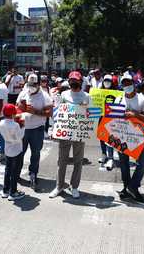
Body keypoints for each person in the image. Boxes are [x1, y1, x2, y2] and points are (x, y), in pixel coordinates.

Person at [49, 71, 89, 199]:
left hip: (80, 133)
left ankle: (74, 186)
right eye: (72, 80)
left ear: (81, 82)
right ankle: (59, 186)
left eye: (76, 81)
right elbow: (57, 112)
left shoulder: (86, 96)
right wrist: (53, 129)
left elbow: (91, 115)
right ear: (69, 81)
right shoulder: (64, 94)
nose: (74, 83)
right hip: (65, 132)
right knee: (62, 160)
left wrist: (85, 108)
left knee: (78, 161)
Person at [115, 72, 144, 203]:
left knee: (143, 162)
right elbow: (112, 115)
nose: (126, 85)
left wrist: (134, 114)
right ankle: (126, 187)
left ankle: (133, 186)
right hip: (121, 134)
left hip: (138, 136)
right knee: (123, 163)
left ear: (134, 84)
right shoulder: (118, 98)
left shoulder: (142, 99)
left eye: (128, 83)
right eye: (124, 83)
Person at [17, 74, 53, 190]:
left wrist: (35, 111)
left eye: (33, 85)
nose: (31, 87)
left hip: (37, 129)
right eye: (29, 85)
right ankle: (16, 173)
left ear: (38, 85)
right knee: (19, 152)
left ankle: (33, 174)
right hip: (23, 127)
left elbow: (49, 113)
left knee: (35, 153)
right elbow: (17, 107)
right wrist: (20, 109)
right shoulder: (23, 92)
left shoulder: (45, 96)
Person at [0, 103, 26, 201]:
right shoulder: (15, 125)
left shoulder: (1, 123)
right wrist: (23, 126)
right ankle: (13, 192)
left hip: (8, 148)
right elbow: (19, 137)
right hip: (16, 149)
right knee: (14, 171)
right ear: (13, 113)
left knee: (8, 170)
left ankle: (5, 190)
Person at [98, 74, 116, 171]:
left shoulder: (116, 92)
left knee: (110, 138)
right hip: (101, 117)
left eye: (109, 81)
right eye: (105, 80)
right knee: (101, 136)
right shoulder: (99, 92)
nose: (107, 82)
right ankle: (103, 154)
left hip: (111, 118)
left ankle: (111, 157)